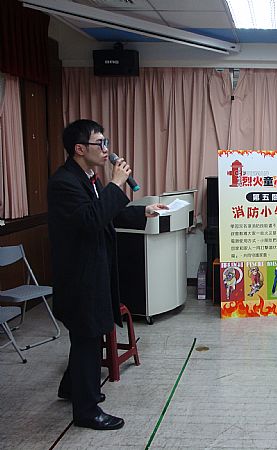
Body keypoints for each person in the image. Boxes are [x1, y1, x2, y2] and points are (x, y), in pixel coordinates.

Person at [48, 119, 167, 430]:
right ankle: (87, 412)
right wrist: (116, 183)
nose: (106, 149)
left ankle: (71, 387)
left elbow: (107, 212)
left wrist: (142, 210)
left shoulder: (87, 177)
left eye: (106, 142)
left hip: (94, 270)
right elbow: (91, 220)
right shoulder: (64, 183)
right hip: (79, 276)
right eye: (99, 143)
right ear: (79, 148)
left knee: (87, 335)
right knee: (87, 339)